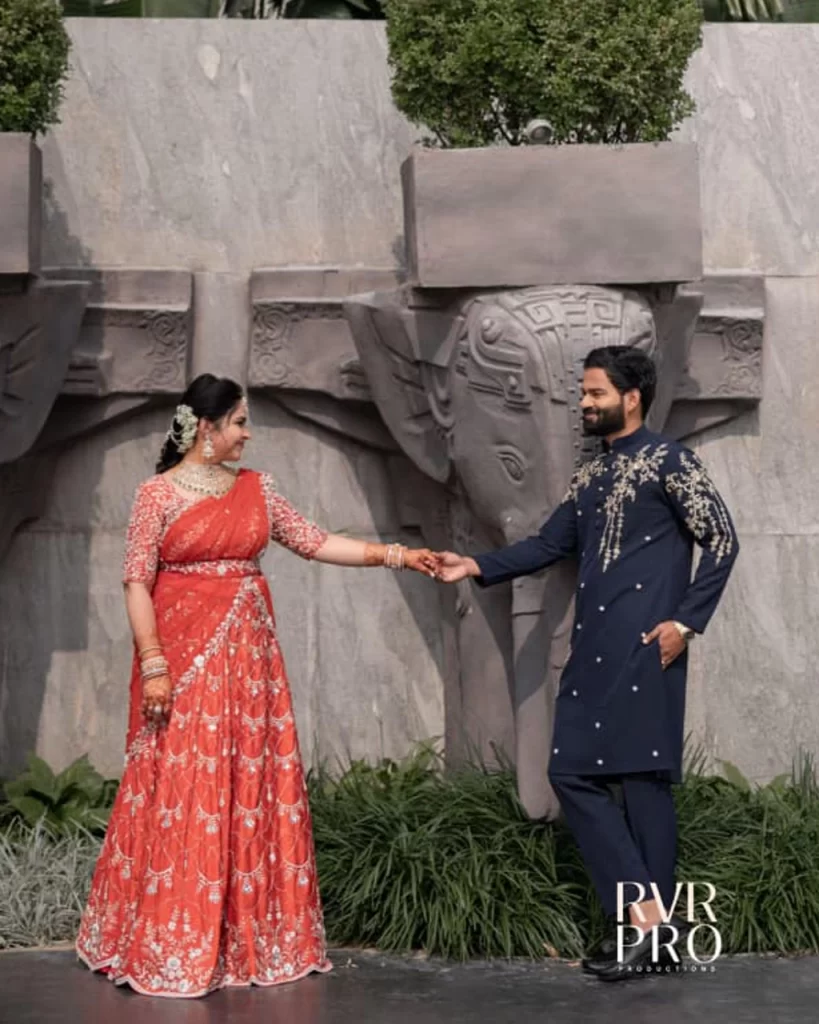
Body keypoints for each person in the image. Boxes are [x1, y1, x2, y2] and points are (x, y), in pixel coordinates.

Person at [76, 374, 439, 998]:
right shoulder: (156, 495)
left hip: (251, 668)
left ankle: (248, 943)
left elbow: (315, 542)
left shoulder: (258, 489)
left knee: (248, 784)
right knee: (185, 787)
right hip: (184, 661)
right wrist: (154, 662)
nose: (248, 435)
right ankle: (173, 941)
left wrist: (398, 555)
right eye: (240, 422)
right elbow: (136, 581)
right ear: (206, 428)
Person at [435, 346, 739, 982]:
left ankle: (646, 933)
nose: (585, 403)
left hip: (648, 646)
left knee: (644, 786)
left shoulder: (671, 463)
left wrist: (686, 623)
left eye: (595, 393)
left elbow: (722, 538)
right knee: (571, 773)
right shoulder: (591, 476)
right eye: (583, 392)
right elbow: (550, 544)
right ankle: (653, 925)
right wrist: (477, 565)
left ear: (631, 397)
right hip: (595, 648)